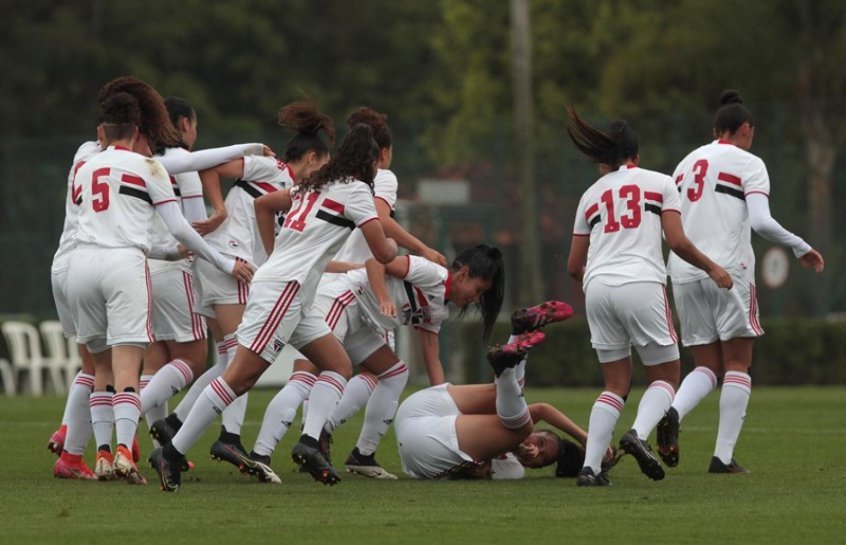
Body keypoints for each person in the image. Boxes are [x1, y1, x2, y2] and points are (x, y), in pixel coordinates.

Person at [149, 123, 397, 492]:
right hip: (284, 290)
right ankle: (171, 452)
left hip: (294, 292)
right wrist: (394, 248)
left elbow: (263, 205)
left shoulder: (316, 184)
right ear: (369, 162)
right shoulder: (357, 190)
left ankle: (310, 442)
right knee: (239, 378)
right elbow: (382, 251)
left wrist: (271, 256)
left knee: (338, 364)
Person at [50, 92, 271, 480]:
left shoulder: (83, 162)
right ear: (137, 130)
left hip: (79, 265)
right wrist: (222, 261)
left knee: (100, 366)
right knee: (131, 365)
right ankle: (124, 450)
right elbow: (182, 225)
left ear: (103, 130)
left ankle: (100, 452)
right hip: (124, 265)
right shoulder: (147, 166)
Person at [238, 106, 449, 480]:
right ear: (382, 154)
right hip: (345, 289)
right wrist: (420, 247)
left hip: (338, 286)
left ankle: (339, 447)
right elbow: (379, 222)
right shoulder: (378, 179)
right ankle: (285, 446)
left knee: (385, 371)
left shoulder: (333, 180)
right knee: (312, 373)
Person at [148, 101, 333, 467]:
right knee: (241, 355)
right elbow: (210, 166)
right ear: (311, 157)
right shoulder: (274, 168)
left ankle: (175, 422)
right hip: (227, 260)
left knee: (228, 357)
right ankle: (228, 438)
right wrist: (220, 210)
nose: (323, 175)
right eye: (323, 166)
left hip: (221, 265)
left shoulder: (295, 194)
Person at [657, 90, 825, 474]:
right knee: (737, 364)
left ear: (715, 129)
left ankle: (673, 412)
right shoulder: (749, 162)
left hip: (683, 271)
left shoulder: (684, 165)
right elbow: (761, 221)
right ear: (746, 129)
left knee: (705, 365)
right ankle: (723, 457)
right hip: (727, 271)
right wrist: (800, 246)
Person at [565, 107, 733, 487]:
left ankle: (590, 468)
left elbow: (574, 265)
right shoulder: (660, 183)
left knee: (614, 384)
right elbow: (677, 241)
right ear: (636, 157)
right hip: (642, 282)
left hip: (597, 287)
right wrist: (713, 268)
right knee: (666, 376)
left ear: (604, 162)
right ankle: (638, 434)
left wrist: (597, 285)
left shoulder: (589, 196)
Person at [239, 245, 505, 483]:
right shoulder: (431, 273)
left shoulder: (440, 309)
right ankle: (265, 453)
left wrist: (445, 406)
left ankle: (362, 455)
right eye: (478, 290)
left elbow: (431, 357)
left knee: (395, 373)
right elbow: (375, 262)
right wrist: (383, 298)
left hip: (360, 321)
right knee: (308, 376)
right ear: (463, 274)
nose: (476, 299)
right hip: (341, 299)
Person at [394, 301, 603, 480]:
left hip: (421, 437)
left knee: (510, 409)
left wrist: (513, 447)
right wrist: (586, 438)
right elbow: (541, 410)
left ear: (535, 468)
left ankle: (515, 343)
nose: (536, 450)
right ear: (537, 431)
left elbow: (476, 469)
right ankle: (511, 355)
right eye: (539, 441)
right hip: (421, 418)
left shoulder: (514, 469)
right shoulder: (519, 425)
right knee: (509, 407)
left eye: (542, 458)